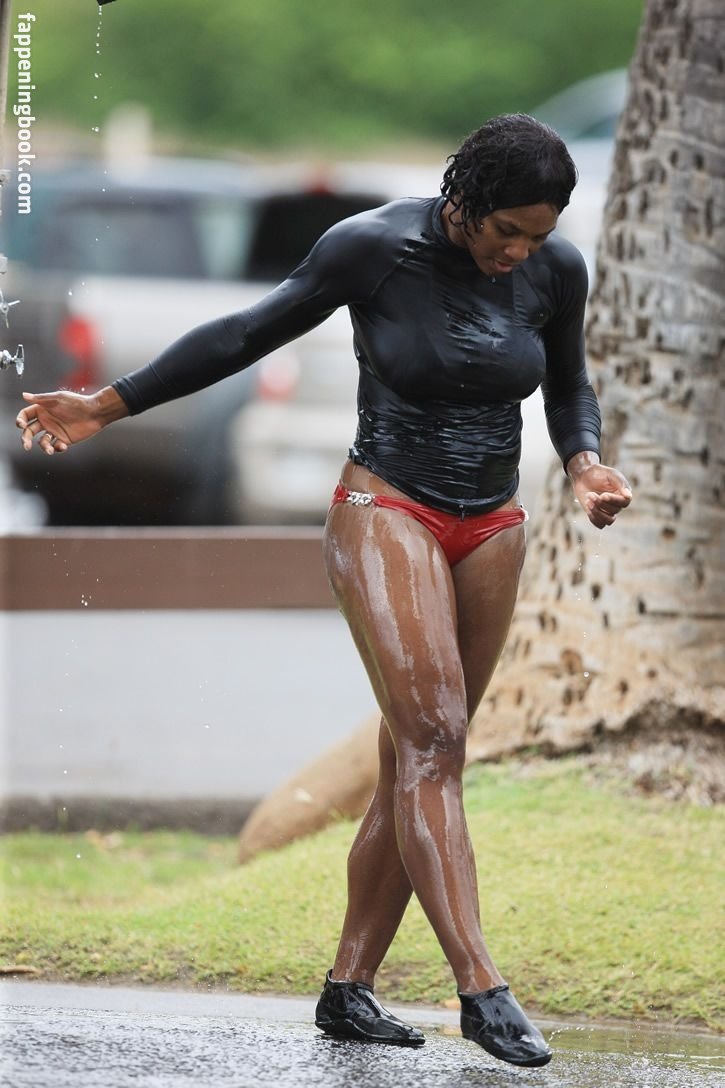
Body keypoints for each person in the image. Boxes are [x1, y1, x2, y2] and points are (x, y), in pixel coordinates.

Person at [16, 114, 631, 1069]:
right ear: (463, 201)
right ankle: (480, 988)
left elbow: (567, 384)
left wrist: (585, 463)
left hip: (493, 526)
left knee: (415, 757)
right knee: (436, 742)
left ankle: (349, 989)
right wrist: (108, 403)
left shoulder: (555, 270)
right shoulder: (372, 247)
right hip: (387, 507)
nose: (517, 252)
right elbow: (245, 332)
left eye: (536, 234)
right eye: (505, 230)